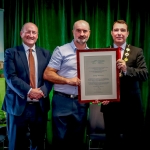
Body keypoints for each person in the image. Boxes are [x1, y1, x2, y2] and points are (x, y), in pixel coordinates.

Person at [2, 22, 53, 150]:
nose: (31, 35)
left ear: (37, 35)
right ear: (21, 34)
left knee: (38, 143)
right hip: (17, 106)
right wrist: (30, 90)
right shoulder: (11, 53)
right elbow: (10, 77)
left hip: (39, 107)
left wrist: (42, 91)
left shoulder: (46, 54)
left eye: (34, 32)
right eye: (28, 32)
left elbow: (50, 77)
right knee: (16, 144)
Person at [101, 20, 149, 150]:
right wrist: (101, 95)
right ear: (111, 33)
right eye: (116, 30)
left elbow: (144, 74)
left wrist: (126, 69)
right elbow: (100, 79)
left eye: (122, 30)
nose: (119, 33)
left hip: (132, 106)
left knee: (132, 141)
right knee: (111, 141)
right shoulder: (103, 52)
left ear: (127, 33)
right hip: (110, 106)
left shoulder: (137, 51)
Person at [43, 20, 90, 150]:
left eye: (85, 31)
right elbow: (48, 74)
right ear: (73, 32)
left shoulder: (93, 54)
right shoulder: (61, 50)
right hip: (61, 100)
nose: (82, 34)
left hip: (81, 103)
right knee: (60, 139)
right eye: (78, 30)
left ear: (89, 33)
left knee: (77, 140)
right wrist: (69, 81)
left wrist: (96, 94)